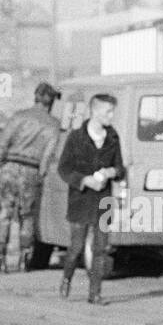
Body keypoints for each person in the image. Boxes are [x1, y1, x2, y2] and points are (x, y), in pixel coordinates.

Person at [57, 93, 126, 305]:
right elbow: (64, 169)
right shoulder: (76, 137)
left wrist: (110, 172)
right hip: (81, 200)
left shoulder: (113, 137)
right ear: (94, 111)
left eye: (113, 111)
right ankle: (67, 277)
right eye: (108, 111)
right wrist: (84, 180)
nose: (111, 116)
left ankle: (94, 293)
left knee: (100, 249)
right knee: (76, 247)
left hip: (104, 201)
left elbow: (120, 168)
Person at [0, 82, 61, 273]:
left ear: (35, 97)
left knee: (4, 214)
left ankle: (1, 261)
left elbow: (2, 143)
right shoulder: (53, 124)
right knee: (27, 217)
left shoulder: (19, 117)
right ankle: (24, 260)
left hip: (10, 167)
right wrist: (41, 174)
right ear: (52, 101)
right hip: (31, 171)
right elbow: (47, 156)